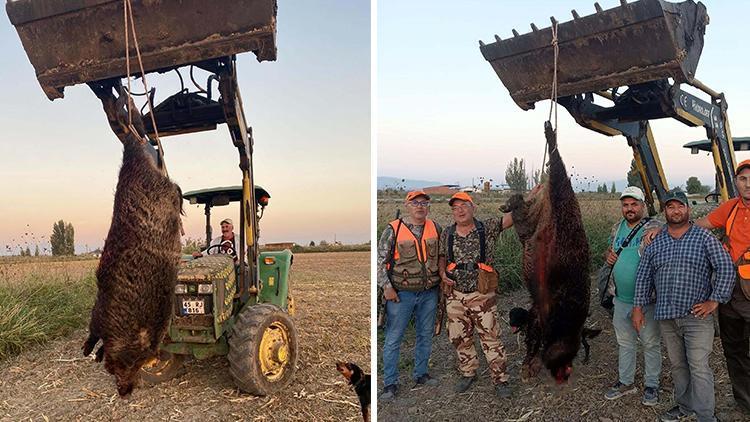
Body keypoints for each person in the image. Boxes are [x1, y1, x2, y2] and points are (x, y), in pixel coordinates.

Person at [643, 160, 750, 416]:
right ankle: (745, 402)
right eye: (744, 179)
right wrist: (663, 228)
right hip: (733, 290)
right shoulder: (730, 208)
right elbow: (698, 225)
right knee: (733, 349)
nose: (748, 184)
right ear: (736, 182)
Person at [632, 188, 735, 422]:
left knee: (698, 366)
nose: (676, 210)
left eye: (680, 206)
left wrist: (714, 300)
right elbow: (644, 275)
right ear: (664, 210)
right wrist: (638, 307)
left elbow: (726, 267)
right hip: (667, 315)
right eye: (671, 206)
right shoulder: (656, 242)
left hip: (696, 317)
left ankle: (705, 415)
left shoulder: (703, 237)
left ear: (688, 209)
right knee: (678, 365)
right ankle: (685, 406)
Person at [439, 191, 514, 398]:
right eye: (455, 208)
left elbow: (514, 216)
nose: (459, 210)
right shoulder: (447, 233)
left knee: (491, 337)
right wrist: (442, 273)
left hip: (482, 295)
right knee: (459, 337)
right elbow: (442, 257)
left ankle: (500, 380)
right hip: (455, 295)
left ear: (474, 208)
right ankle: (468, 373)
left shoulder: (487, 227)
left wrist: (532, 197)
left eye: (463, 205)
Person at [377, 191, 442, 402]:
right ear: (407, 206)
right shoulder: (393, 229)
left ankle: (421, 374)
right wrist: (387, 287)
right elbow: (379, 262)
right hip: (400, 295)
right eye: (415, 203)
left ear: (428, 207)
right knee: (394, 339)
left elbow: (442, 257)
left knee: (425, 335)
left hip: (429, 292)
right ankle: (390, 383)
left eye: (424, 203)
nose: (420, 207)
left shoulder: (436, 228)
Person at [603, 186, 663, 405]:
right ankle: (626, 382)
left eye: (634, 204)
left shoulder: (654, 226)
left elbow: (673, 230)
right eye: (625, 205)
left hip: (648, 300)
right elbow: (611, 252)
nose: (629, 209)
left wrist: (660, 231)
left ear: (643, 206)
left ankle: (652, 385)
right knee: (625, 342)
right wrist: (608, 256)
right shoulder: (616, 228)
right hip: (620, 298)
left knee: (650, 342)